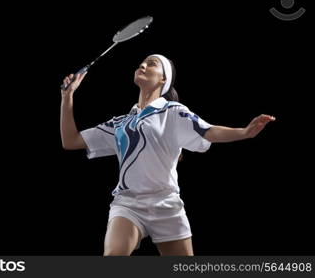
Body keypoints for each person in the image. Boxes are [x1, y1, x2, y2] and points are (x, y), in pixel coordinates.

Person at [60, 54, 275, 256]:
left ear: (164, 79)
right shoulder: (120, 123)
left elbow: (209, 131)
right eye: (142, 62)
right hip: (128, 203)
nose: (143, 65)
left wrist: (244, 132)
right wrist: (67, 97)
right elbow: (71, 141)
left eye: (152, 63)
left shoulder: (173, 112)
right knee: (113, 256)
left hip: (165, 204)